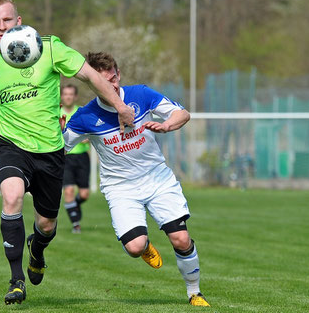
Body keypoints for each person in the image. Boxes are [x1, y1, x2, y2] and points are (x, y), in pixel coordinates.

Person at [0, 0, 134, 305]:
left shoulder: (49, 48)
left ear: (18, 21)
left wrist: (119, 106)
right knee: (11, 197)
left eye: (7, 19)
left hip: (50, 149)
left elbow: (89, 75)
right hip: (10, 145)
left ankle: (38, 249)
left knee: (47, 225)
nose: (1, 26)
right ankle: (16, 280)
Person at [62, 52, 210, 307]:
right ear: (93, 83)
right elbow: (59, 148)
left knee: (181, 239)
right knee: (134, 247)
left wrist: (167, 126)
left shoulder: (140, 95)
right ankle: (144, 245)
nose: (112, 85)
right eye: (104, 82)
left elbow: (182, 114)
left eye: (114, 79)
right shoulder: (85, 117)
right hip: (121, 189)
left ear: (119, 74)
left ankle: (194, 293)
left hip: (157, 179)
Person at [60, 84, 90, 233]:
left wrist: (87, 137)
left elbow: (91, 130)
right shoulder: (56, 113)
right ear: (62, 96)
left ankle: (74, 206)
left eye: (71, 94)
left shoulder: (82, 112)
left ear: (75, 96)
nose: (68, 97)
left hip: (82, 157)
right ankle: (75, 224)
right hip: (65, 157)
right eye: (65, 94)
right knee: (69, 191)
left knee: (84, 194)